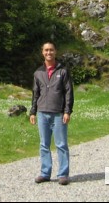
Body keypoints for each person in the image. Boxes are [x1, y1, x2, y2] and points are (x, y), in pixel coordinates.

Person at [29, 41, 73, 185]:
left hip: (59, 114)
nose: (49, 53)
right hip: (42, 114)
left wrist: (67, 111)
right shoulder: (38, 73)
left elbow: (68, 92)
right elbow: (35, 94)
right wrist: (33, 112)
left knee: (61, 144)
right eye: (46, 50)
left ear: (55, 52)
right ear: (42, 52)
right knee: (44, 145)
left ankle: (63, 174)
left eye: (51, 50)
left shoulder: (63, 71)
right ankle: (45, 173)